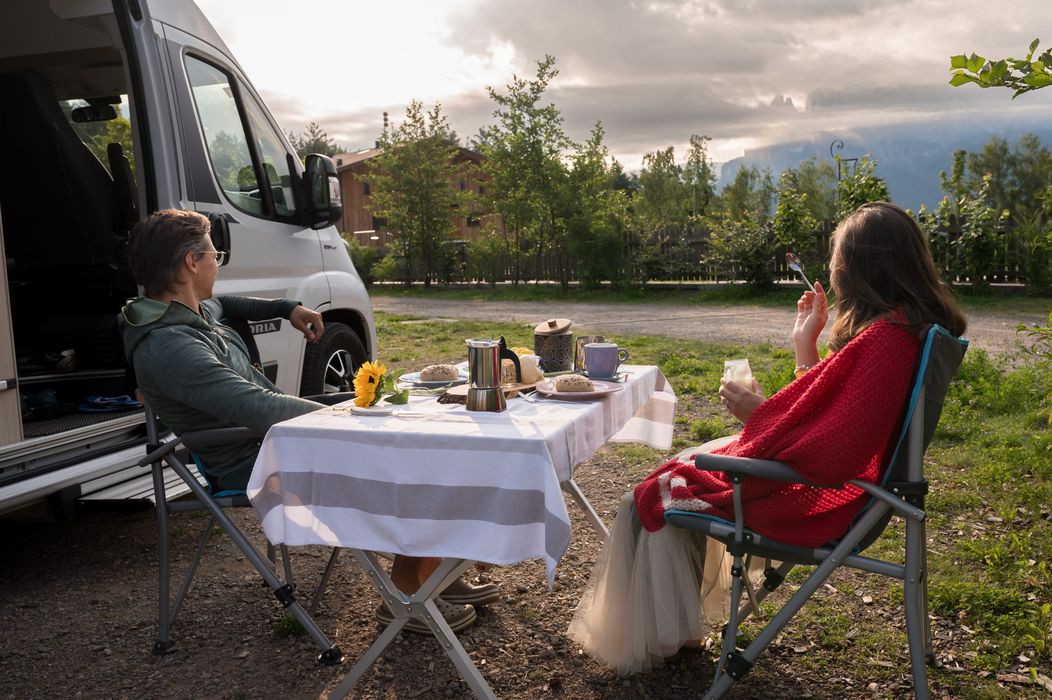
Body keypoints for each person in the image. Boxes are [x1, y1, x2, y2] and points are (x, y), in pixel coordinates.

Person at [567, 201, 967, 673]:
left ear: (858, 270)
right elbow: (838, 414)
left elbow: (833, 451)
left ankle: (665, 634)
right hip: (865, 494)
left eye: (838, 259)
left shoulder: (883, 341)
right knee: (690, 461)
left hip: (832, 498)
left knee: (658, 493)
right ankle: (678, 626)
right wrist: (805, 346)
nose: (834, 272)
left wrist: (758, 415)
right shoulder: (905, 328)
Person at [119, 209, 497, 634]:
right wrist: (348, 417)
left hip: (275, 439)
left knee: (412, 431)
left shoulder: (189, 310)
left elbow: (227, 303)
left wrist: (289, 308)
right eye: (214, 256)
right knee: (398, 453)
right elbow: (257, 408)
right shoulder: (168, 345)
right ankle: (407, 589)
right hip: (254, 458)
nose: (216, 265)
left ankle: (431, 572)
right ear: (192, 262)